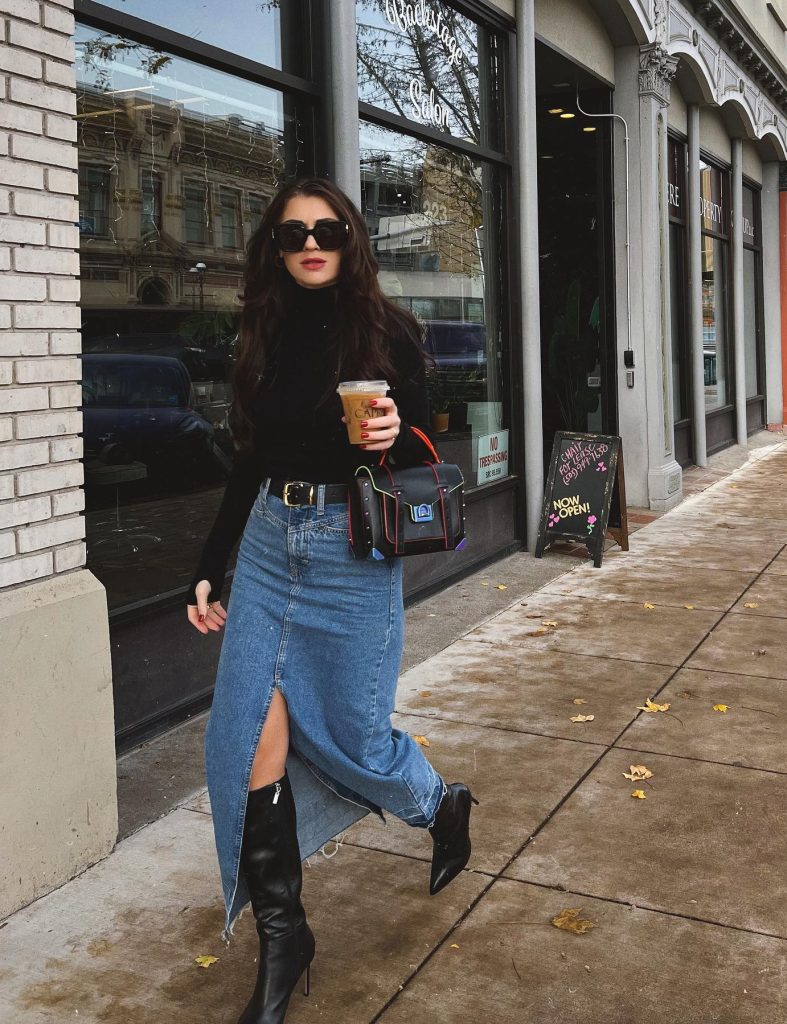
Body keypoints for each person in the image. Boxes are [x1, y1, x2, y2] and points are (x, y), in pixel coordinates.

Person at [185, 177, 479, 1024]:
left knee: (355, 735)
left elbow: (427, 443)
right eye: (291, 233)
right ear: (274, 250)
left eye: (326, 229)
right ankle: (286, 939)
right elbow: (252, 457)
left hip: (353, 551)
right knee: (244, 739)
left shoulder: (387, 330)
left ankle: (437, 803)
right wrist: (213, 563)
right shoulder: (266, 332)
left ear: (351, 239)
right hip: (273, 543)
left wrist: (392, 438)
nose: (310, 242)